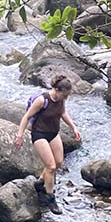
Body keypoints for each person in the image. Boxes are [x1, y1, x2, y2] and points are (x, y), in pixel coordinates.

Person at [14, 75, 81, 214]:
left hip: (53, 133)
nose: (66, 98)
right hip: (39, 134)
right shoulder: (42, 100)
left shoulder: (61, 100)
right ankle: (50, 198)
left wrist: (74, 127)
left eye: (68, 95)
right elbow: (26, 117)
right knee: (51, 166)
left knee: (59, 162)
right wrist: (19, 135)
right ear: (56, 90)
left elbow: (63, 113)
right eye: (65, 94)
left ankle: (40, 183)